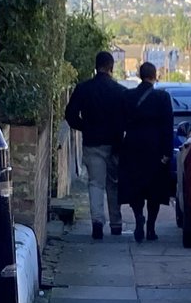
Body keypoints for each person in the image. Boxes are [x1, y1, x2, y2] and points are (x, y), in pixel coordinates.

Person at [65, 51, 126, 239]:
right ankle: (116, 223)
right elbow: (126, 119)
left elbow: (70, 115)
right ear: (111, 67)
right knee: (113, 185)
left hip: (92, 143)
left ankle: (97, 222)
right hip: (114, 144)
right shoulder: (119, 91)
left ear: (95, 65)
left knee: (95, 184)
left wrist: (85, 127)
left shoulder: (84, 89)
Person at [120, 61, 174, 242]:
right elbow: (168, 126)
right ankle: (151, 227)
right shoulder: (162, 98)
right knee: (154, 189)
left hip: (133, 146)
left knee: (136, 186)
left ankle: (138, 217)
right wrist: (167, 152)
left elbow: (121, 122)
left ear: (139, 75)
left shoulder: (128, 96)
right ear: (155, 75)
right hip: (155, 147)